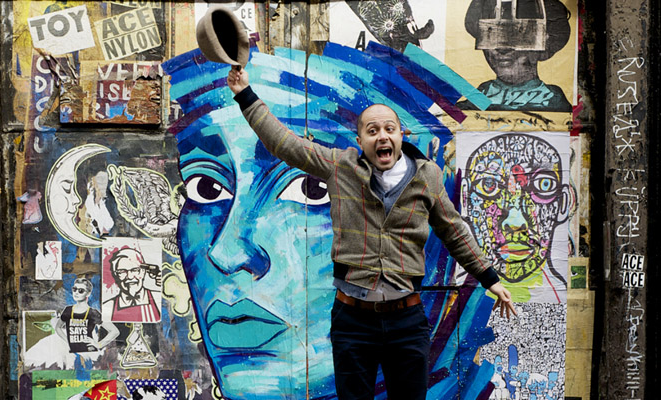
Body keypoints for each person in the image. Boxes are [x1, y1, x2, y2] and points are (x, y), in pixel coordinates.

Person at [225, 66, 516, 399]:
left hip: (406, 320)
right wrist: (244, 94)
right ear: (360, 141)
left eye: (389, 129)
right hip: (353, 320)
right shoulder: (341, 166)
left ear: (401, 135)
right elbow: (285, 145)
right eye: (372, 130)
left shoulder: (428, 176)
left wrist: (489, 278)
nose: (382, 136)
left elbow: (454, 231)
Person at [461, 133, 572, 302]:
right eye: (488, 185)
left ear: (563, 204)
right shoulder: (453, 303)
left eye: (544, 184)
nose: (516, 223)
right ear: (465, 200)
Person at [459, 0, 572, 111]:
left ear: (544, 43)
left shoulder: (555, 103)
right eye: (491, 34)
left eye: (519, 36)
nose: (502, 49)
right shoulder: (470, 105)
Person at [56, 278, 119, 353]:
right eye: (74, 289)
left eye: (81, 291)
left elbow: (114, 331)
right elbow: (58, 327)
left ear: (88, 294)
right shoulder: (68, 310)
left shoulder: (93, 313)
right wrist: (67, 341)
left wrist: (99, 344)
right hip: (73, 353)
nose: (76, 293)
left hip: (90, 353)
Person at [103, 248, 161, 323]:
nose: (130, 276)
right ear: (115, 275)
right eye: (122, 271)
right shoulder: (108, 307)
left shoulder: (158, 299)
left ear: (143, 272)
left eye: (135, 270)